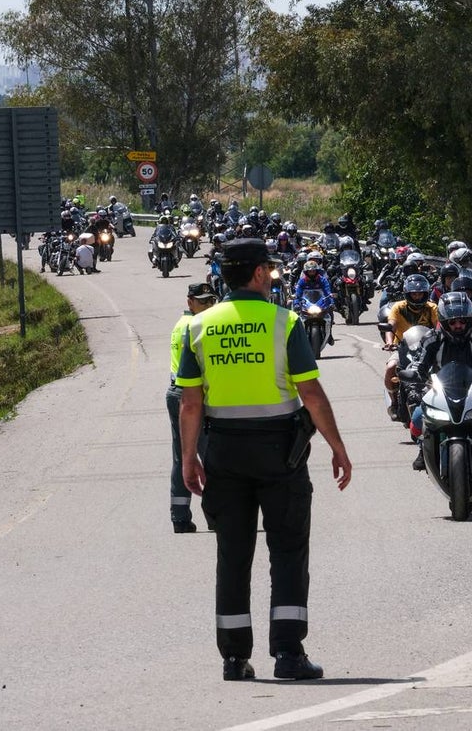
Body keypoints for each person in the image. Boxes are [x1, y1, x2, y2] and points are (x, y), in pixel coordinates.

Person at [177, 238, 353, 682]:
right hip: (281, 455)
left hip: (223, 453)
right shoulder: (285, 322)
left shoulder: (200, 325)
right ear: (257, 274)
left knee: (232, 554)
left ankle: (234, 659)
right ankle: (289, 654)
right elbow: (309, 393)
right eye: (269, 270)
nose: (272, 276)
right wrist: (337, 446)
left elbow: (190, 403)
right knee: (288, 551)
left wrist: (187, 460)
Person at [407, 292, 472, 471]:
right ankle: (423, 448)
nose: (458, 326)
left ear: (469, 321)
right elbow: (418, 365)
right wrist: (413, 386)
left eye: (462, 321)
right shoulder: (431, 339)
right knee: (417, 417)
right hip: (439, 390)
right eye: (452, 322)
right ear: (444, 323)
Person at [167, 283, 219, 532]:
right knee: (209, 455)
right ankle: (215, 516)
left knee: (182, 456)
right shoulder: (195, 327)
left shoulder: (180, 324)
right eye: (203, 301)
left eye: (211, 300)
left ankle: (179, 517)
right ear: (190, 302)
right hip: (191, 395)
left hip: (176, 391)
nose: (208, 305)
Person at [381, 274, 439, 420]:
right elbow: (391, 326)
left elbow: (439, 327)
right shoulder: (398, 307)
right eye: (414, 294)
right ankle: (394, 402)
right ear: (408, 294)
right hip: (403, 348)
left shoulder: (432, 308)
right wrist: (390, 342)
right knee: (390, 367)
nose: (417, 297)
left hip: (429, 348)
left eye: (420, 294)